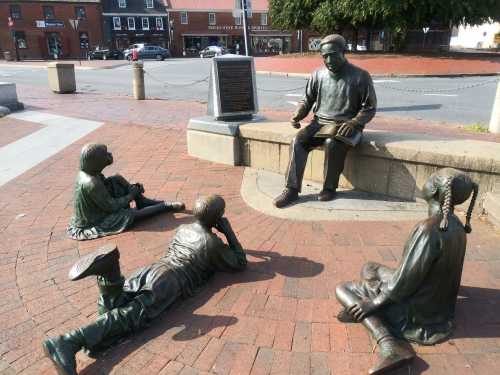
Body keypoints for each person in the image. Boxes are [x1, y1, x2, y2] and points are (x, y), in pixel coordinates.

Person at [44, 195, 247, 375]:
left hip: (153, 269)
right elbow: (240, 262)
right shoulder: (213, 244)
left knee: (121, 303)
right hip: (173, 280)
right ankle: (69, 341)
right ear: (218, 217)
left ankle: (110, 275)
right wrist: (228, 232)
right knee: (133, 315)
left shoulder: (183, 228)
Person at [335, 168, 478, 374]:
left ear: (436, 191)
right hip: (436, 305)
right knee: (370, 268)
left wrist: (373, 303)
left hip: (417, 315)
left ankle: (390, 345)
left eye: (431, 179)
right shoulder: (456, 226)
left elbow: (405, 282)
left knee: (343, 289)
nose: (426, 181)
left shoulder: (428, 230)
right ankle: (368, 309)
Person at [273, 34, 377, 208]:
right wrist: (299, 113)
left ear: (343, 52)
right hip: (320, 123)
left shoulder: (360, 76)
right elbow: (307, 99)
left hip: (347, 126)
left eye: (333, 55)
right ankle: (291, 189)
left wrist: (354, 123)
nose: (328, 60)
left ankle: (329, 188)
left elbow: (369, 108)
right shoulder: (318, 75)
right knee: (298, 141)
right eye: (324, 56)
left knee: (332, 144)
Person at [67, 143, 185, 240]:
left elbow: (106, 185)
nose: (109, 155)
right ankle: (164, 206)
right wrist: (131, 195)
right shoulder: (91, 183)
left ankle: (142, 201)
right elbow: (112, 207)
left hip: (101, 206)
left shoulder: (89, 171)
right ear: (96, 161)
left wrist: (131, 191)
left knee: (116, 179)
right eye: (105, 155)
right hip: (95, 221)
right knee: (129, 215)